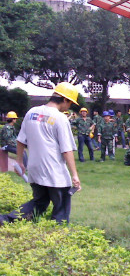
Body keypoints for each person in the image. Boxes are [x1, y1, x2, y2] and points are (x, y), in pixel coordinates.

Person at [0, 82, 81, 225]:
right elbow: (66, 149)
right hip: (55, 173)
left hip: (35, 169)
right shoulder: (60, 118)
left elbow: (20, 140)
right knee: (61, 207)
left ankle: (7, 220)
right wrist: (74, 175)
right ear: (65, 99)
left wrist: (19, 162)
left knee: (39, 202)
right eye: (70, 103)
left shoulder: (32, 112)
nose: (69, 107)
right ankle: (58, 235)